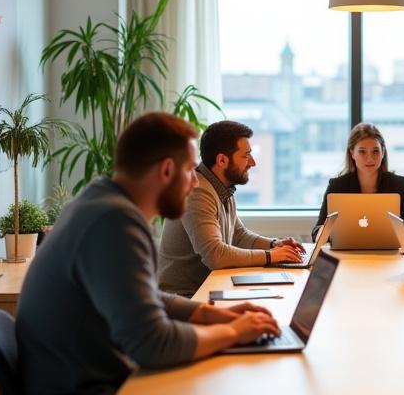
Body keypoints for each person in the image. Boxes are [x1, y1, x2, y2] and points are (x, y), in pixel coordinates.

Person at [16, 113, 281, 394]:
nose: (195, 182)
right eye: (190, 170)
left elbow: (146, 297)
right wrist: (235, 332)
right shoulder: (114, 222)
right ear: (166, 170)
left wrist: (213, 315)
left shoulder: (100, 202)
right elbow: (154, 344)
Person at [159, 120, 305, 296]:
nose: (252, 162)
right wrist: (270, 256)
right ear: (222, 160)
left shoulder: (222, 188)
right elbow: (215, 255)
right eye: (246, 156)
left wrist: (275, 245)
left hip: (210, 288)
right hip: (187, 298)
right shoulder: (197, 191)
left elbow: (238, 235)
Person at [312, 123, 404, 242]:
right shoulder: (337, 185)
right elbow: (316, 231)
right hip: (347, 255)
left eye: (375, 151)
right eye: (362, 152)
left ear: (383, 153)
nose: (370, 158)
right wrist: (322, 233)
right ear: (352, 153)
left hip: (389, 255)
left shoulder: (399, 184)